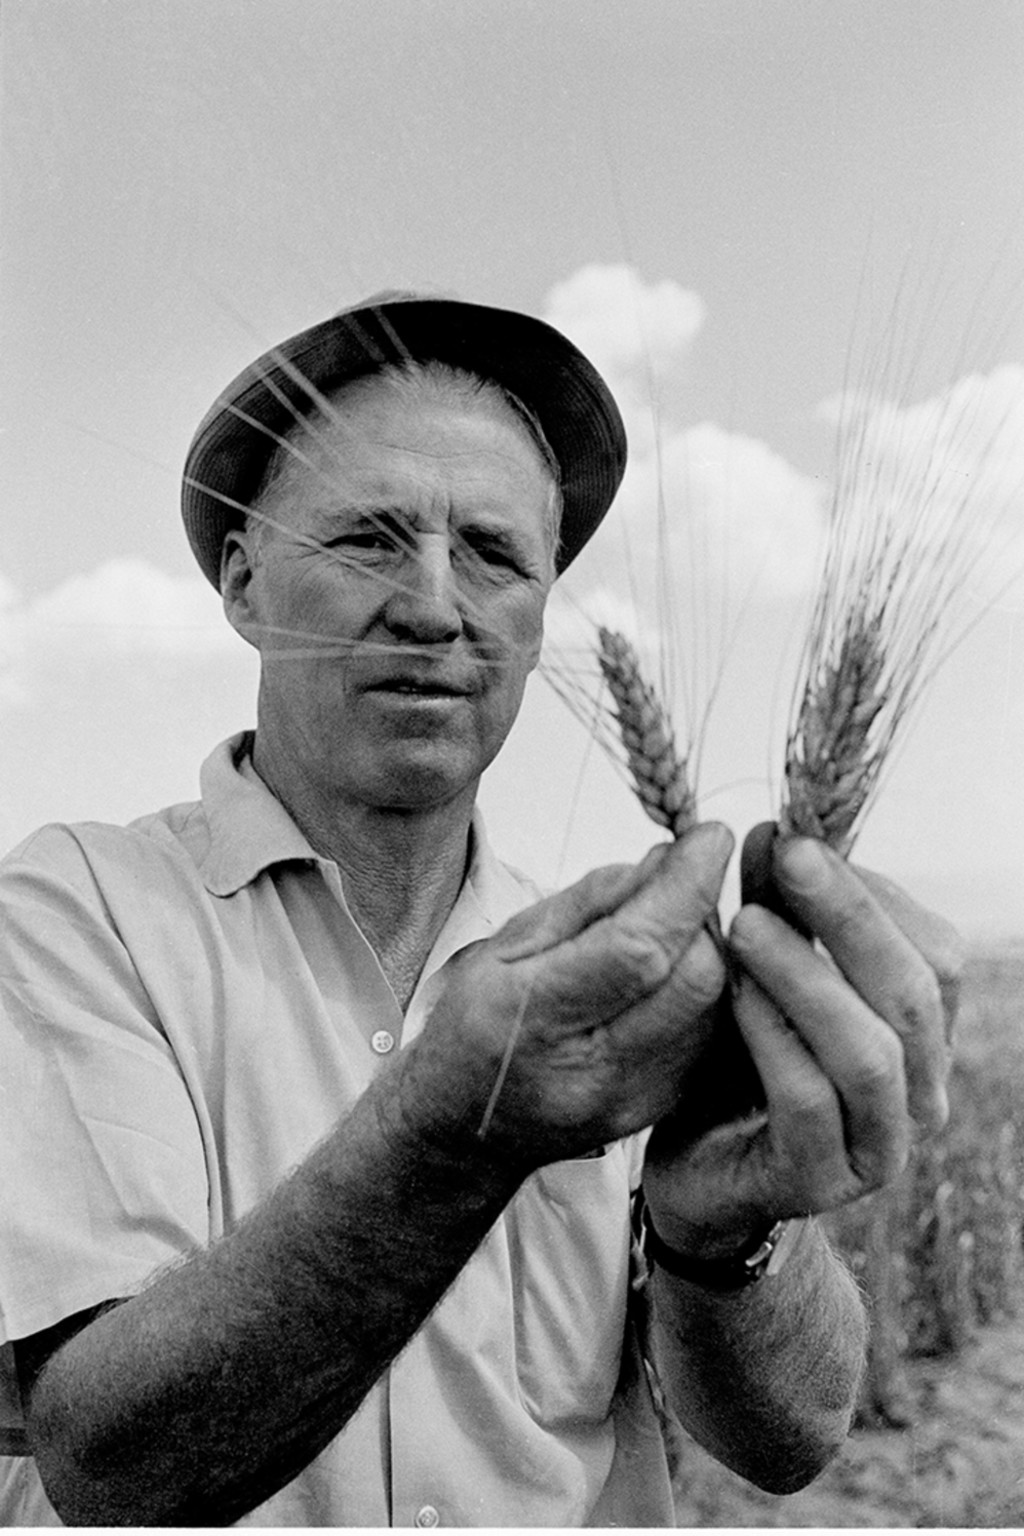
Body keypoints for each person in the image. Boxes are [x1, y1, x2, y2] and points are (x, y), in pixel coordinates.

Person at [0, 292, 960, 1527]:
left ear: (543, 607)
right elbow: (112, 1466)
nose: (436, 606)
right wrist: (467, 1135)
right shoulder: (76, 913)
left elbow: (791, 1441)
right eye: (368, 538)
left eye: (496, 555)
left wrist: (723, 1227)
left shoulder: (621, 980)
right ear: (242, 584)